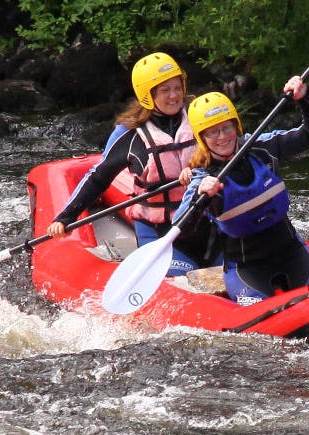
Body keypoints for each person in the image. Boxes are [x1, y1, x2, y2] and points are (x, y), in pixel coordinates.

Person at [46, 52, 219, 275]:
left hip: (206, 225)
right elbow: (99, 177)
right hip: (161, 233)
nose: (174, 96)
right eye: (165, 90)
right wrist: (65, 217)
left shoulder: (200, 118)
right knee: (186, 278)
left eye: (177, 87)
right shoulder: (129, 134)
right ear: (147, 94)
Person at [176, 76, 309, 305]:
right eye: (212, 132)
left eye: (226, 127)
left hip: (292, 253)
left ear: (235, 125)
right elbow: (181, 225)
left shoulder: (262, 148)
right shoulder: (202, 176)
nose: (222, 137)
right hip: (247, 270)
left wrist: (305, 98)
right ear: (201, 138)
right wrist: (200, 195)